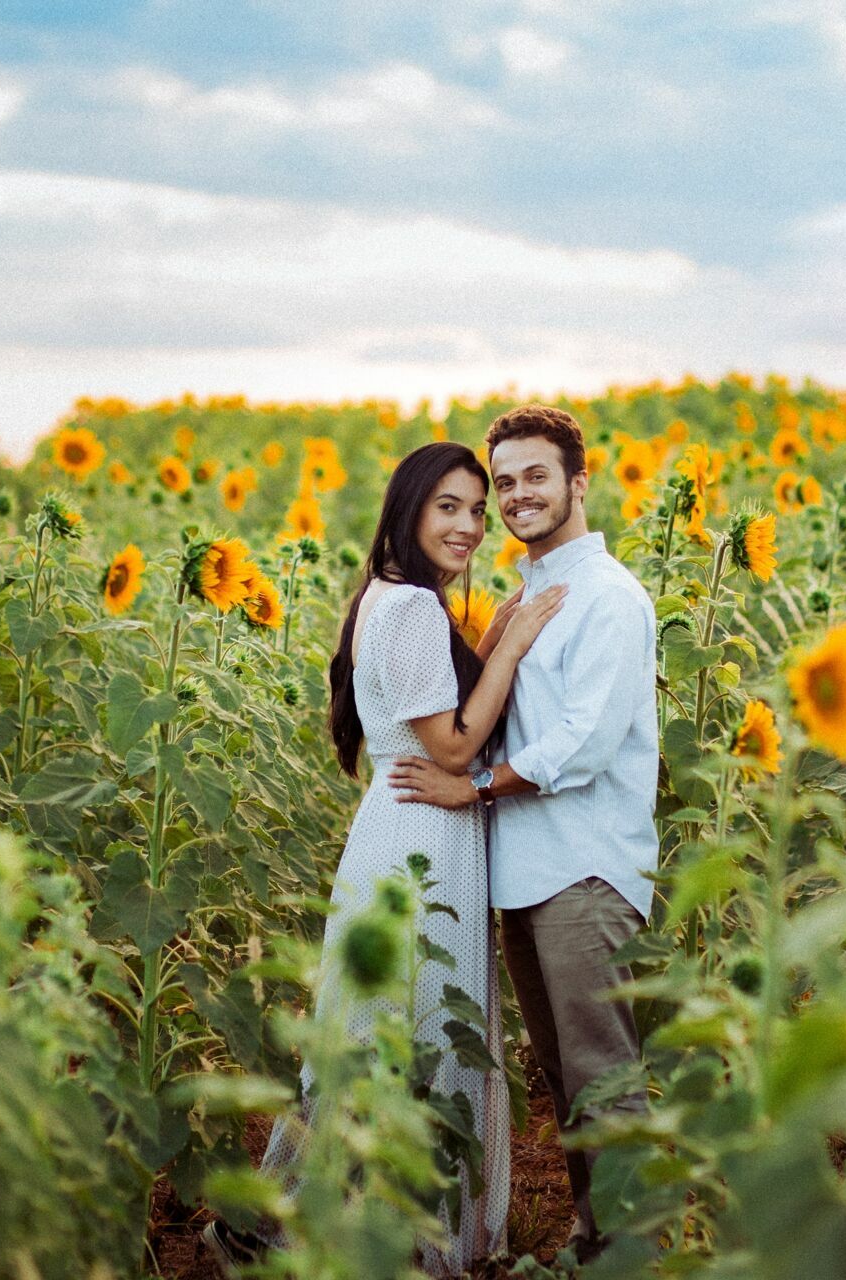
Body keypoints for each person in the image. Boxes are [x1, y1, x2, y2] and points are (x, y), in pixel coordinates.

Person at [205, 441, 566, 1277]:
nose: (470, 526)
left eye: (478, 510)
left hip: (410, 830)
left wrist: (501, 624)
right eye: (450, 506)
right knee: (425, 1035)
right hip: (422, 839)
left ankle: (283, 1231)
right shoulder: (407, 609)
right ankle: (404, 1245)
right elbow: (449, 746)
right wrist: (509, 650)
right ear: (407, 509)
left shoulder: (398, 601)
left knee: (379, 1036)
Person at [390, 404, 658, 1265]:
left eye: (534, 476)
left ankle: (636, 1255)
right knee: (564, 1076)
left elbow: (585, 740)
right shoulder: (529, 593)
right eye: (502, 482)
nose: (514, 496)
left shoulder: (609, 598)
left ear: (580, 482)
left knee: (603, 1078)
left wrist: (472, 784)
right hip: (526, 872)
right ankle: (595, 1239)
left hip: (586, 870)